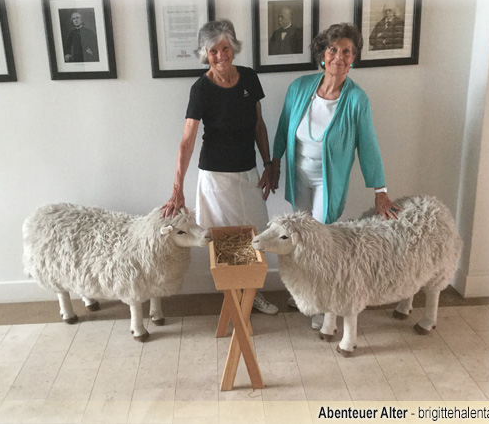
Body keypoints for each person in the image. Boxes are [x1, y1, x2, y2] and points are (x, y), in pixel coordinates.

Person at [271, 22, 401, 328]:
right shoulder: (300, 87)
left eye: (346, 52)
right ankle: (305, 294)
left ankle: (323, 308)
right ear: (323, 54)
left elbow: (369, 147)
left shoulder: (356, 100)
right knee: (300, 240)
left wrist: (380, 190)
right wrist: (273, 163)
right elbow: (283, 127)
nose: (338, 57)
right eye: (333, 50)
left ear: (353, 58)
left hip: (328, 183)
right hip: (299, 177)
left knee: (321, 243)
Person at [161, 19, 278, 315]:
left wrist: (268, 163)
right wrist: (177, 190)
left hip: (248, 171)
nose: (221, 55)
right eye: (213, 51)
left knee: (255, 235)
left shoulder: (250, 78)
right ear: (205, 54)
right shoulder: (201, 89)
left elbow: (259, 125)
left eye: (225, 48)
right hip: (215, 176)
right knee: (225, 240)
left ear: (233, 48)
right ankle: (234, 298)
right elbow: (187, 142)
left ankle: (252, 295)